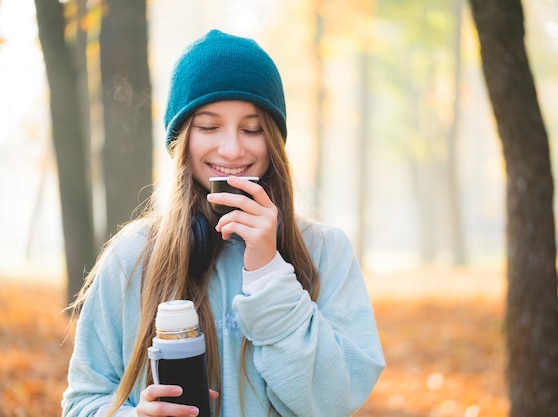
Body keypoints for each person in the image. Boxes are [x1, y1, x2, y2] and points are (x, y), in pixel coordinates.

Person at [62, 29, 385, 417]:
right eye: (209, 127)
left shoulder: (326, 252)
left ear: (274, 140)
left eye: (252, 129)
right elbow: (81, 403)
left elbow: (334, 402)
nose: (232, 149)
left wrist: (269, 275)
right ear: (182, 139)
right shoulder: (131, 256)